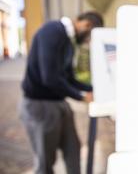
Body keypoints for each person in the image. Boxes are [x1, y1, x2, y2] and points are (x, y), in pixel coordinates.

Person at [20, 12, 104, 174]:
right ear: (87, 25)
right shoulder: (52, 31)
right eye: (89, 38)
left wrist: (93, 89)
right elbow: (49, 78)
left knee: (73, 148)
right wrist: (80, 96)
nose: (87, 42)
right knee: (45, 161)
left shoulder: (68, 40)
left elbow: (68, 78)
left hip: (59, 102)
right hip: (40, 105)